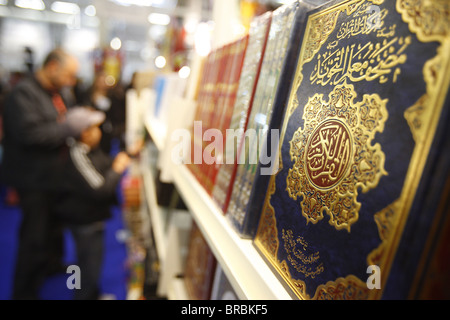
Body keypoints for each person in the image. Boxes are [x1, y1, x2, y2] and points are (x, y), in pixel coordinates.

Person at [1, 48, 90, 299]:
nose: (71, 82)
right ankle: (24, 291)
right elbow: (31, 134)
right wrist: (68, 128)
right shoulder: (23, 94)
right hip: (33, 179)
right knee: (34, 238)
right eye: (68, 75)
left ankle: (50, 266)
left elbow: (62, 119)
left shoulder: (57, 93)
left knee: (53, 228)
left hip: (54, 176)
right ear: (52, 67)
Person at [55, 107, 130, 300]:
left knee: (92, 263)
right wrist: (117, 169)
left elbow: (104, 167)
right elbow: (100, 189)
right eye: (95, 128)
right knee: (88, 264)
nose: (99, 131)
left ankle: (92, 294)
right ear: (84, 133)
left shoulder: (91, 150)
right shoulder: (77, 154)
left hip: (93, 217)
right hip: (84, 220)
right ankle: (84, 296)